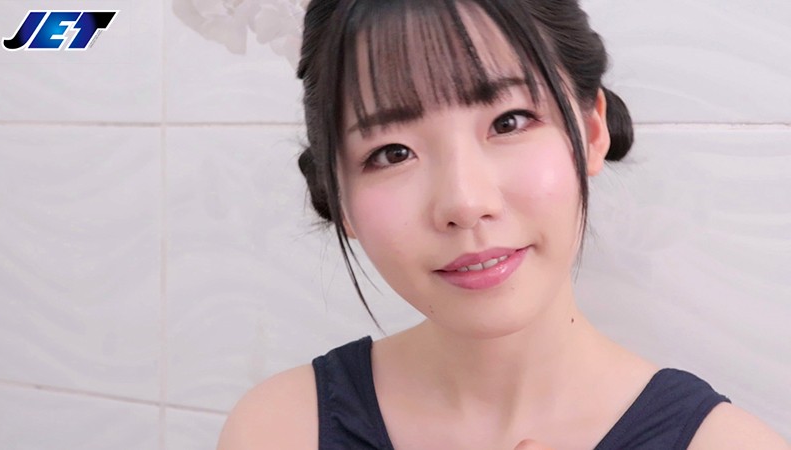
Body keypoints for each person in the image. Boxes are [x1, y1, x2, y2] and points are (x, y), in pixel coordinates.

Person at [217, 0, 789, 448]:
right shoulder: (279, 429)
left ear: (591, 132)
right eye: (392, 153)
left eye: (509, 121)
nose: (465, 203)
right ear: (337, 194)